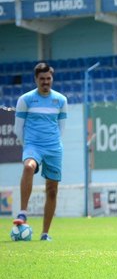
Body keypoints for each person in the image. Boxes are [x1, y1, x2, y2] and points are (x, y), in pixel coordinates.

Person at [13, 62, 68, 241]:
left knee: (52, 190)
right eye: (42, 79)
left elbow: (61, 128)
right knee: (28, 167)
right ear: (36, 79)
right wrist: (27, 146)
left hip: (53, 147)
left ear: (52, 79)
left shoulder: (61, 100)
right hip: (33, 145)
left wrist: (54, 144)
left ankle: (45, 233)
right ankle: (22, 213)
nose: (46, 82)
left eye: (48, 78)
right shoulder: (25, 99)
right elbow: (17, 129)